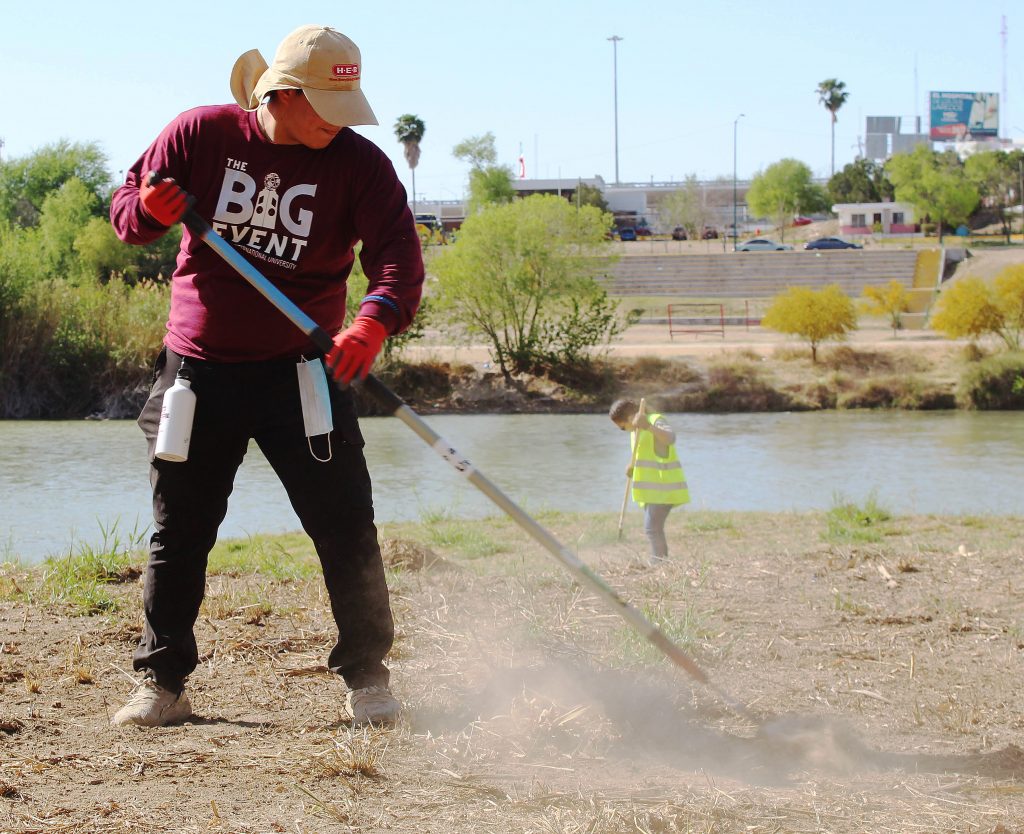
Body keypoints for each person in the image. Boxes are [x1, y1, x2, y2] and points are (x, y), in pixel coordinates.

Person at [108, 24, 424, 728]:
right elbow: (128, 211)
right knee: (178, 532)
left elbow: (399, 258)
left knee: (346, 527)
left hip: (306, 373)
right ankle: (163, 681)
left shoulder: (361, 165)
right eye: (324, 106)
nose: (337, 123)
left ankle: (368, 676)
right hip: (198, 373)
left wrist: (372, 321)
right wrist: (147, 213)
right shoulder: (199, 134)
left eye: (347, 107)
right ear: (281, 93)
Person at [609, 399, 690, 565]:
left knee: (651, 527)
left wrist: (648, 426)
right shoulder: (636, 431)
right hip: (652, 490)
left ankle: (659, 564)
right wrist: (632, 466)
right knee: (653, 527)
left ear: (631, 417)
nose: (623, 430)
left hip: (664, 487)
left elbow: (670, 438)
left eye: (622, 427)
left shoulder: (654, 420)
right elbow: (646, 454)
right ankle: (660, 562)